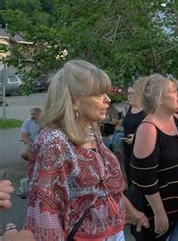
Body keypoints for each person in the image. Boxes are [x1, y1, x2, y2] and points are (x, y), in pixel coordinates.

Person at [24, 60, 149, 240]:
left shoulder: (90, 130)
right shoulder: (54, 142)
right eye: (98, 94)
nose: (108, 99)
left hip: (112, 231)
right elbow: (45, 210)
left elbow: (104, 187)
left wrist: (131, 211)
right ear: (74, 101)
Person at [131, 73, 178, 240]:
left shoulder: (176, 119)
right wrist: (159, 212)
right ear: (159, 99)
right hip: (158, 213)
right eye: (173, 91)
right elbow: (144, 178)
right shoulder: (148, 129)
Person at [121, 79, 147, 188]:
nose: (129, 96)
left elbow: (152, 131)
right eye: (128, 93)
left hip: (141, 153)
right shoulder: (129, 108)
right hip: (127, 152)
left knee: (141, 182)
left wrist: (137, 138)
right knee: (131, 181)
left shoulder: (147, 111)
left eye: (132, 93)